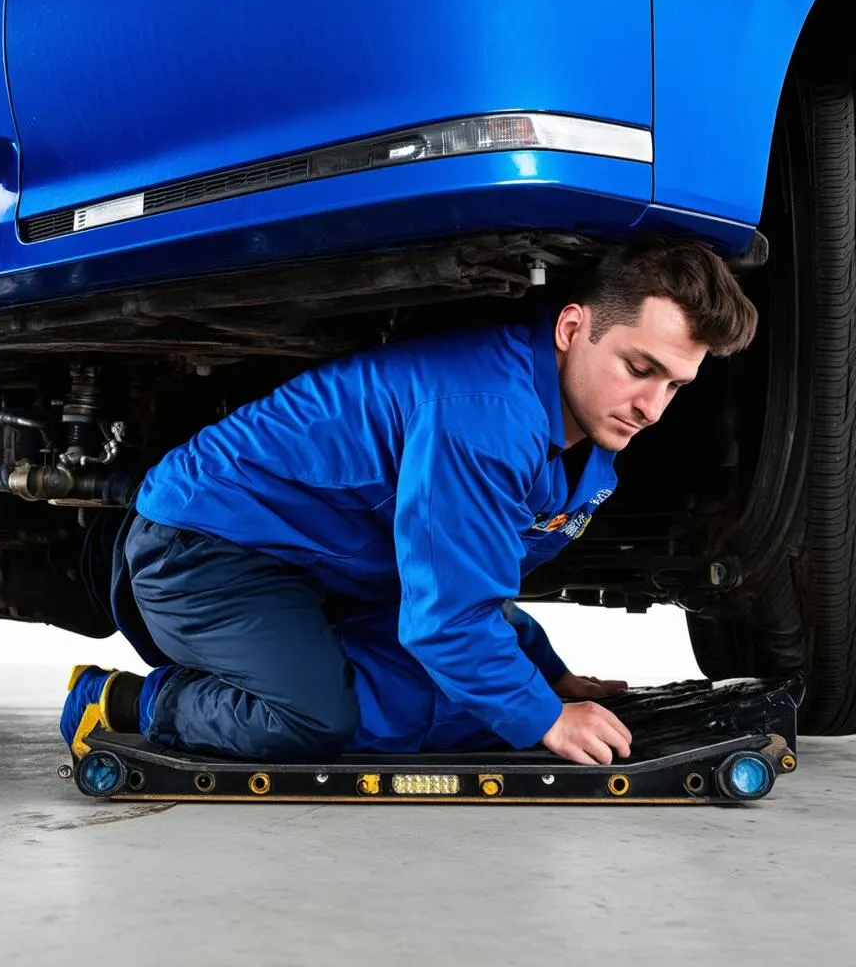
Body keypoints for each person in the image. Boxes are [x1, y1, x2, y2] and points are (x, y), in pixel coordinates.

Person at [61, 236, 758, 766]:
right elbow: (447, 617)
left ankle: (266, 670)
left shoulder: (585, 436)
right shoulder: (487, 415)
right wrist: (545, 717)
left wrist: (551, 679)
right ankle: (126, 700)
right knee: (316, 720)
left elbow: (471, 579)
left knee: (460, 700)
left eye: (674, 385)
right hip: (205, 548)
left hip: (322, 571)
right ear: (572, 328)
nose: (652, 408)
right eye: (640, 369)